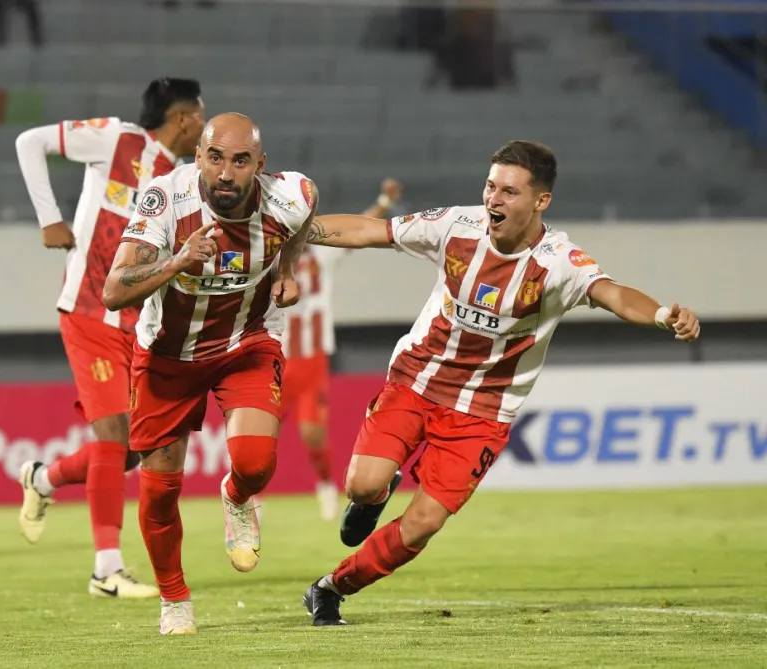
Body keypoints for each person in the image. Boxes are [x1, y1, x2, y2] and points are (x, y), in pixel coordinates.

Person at [299, 140, 701, 625]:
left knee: (424, 523)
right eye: (491, 186)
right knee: (363, 487)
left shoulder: (558, 262)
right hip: (417, 380)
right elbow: (372, 230)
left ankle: (330, 588)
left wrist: (661, 314)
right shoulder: (456, 225)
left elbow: (611, 293)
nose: (494, 200)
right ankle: (377, 495)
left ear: (540, 201)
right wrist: (301, 230)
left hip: (484, 412)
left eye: (509, 192)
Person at [103, 113, 316, 635]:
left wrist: (286, 268)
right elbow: (113, 290)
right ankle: (175, 599)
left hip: (245, 343)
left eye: (240, 161)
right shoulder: (164, 199)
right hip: (167, 357)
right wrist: (178, 261)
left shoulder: (292, 197)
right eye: (215, 158)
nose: (225, 173)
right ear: (198, 156)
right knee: (158, 492)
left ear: (259, 166)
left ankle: (238, 497)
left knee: (255, 461)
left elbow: (303, 222)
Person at [13, 78, 206, 599]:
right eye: (201, 117)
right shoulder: (115, 139)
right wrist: (50, 219)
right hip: (89, 311)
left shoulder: (187, 179)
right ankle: (106, 570)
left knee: (130, 450)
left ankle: (43, 478)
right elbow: (29, 142)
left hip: (140, 326)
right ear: (183, 118)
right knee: (115, 432)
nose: (204, 128)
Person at [279, 178, 404, 521]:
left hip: (312, 359)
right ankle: (247, 499)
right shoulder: (271, 256)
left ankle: (323, 485)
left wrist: (383, 201)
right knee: (260, 438)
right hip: (276, 359)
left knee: (313, 433)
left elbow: (360, 226)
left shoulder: (323, 252)